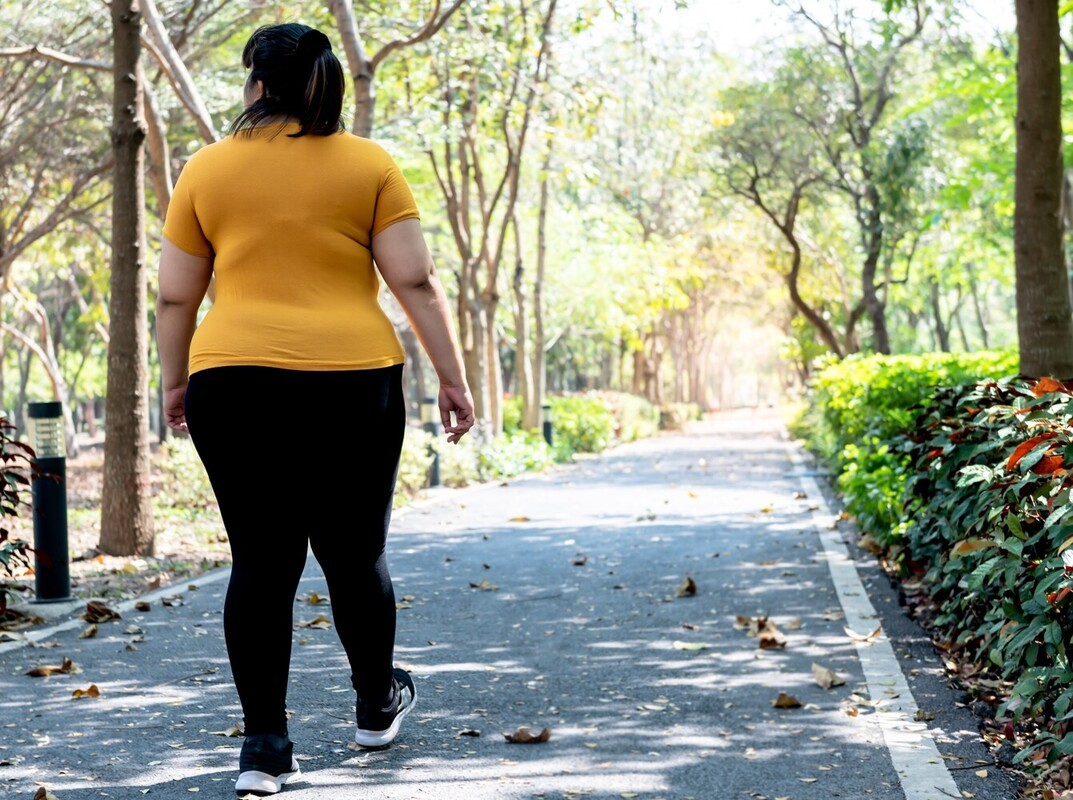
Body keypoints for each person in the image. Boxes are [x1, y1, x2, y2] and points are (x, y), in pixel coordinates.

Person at [154, 22, 475, 797]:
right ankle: (373, 706)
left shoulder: (206, 169)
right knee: (353, 553)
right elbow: (416, 283)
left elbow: (174, 294)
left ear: (257, 82)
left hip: (231, 379)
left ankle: (265, 749)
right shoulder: (368, 164)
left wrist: (174, 381)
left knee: (262, 563)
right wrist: (454, 379)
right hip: (352, 379)